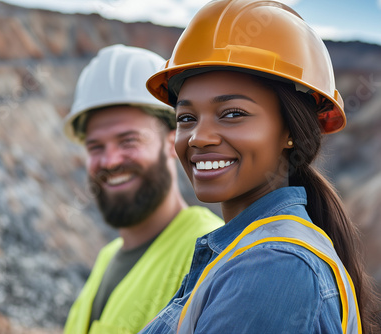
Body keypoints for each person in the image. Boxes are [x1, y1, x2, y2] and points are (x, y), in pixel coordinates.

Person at [139, 0, 380, 333]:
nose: (198, 137)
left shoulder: (275, 267)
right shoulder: (254, 253)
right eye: (186, 118)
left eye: (233, 113)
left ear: (291, 131)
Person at [63, 44, 224, 334]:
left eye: (128, 141)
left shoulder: (211, 253)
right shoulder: (107, 258)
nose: (110, 161)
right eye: (95, 146)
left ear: (172, 142)